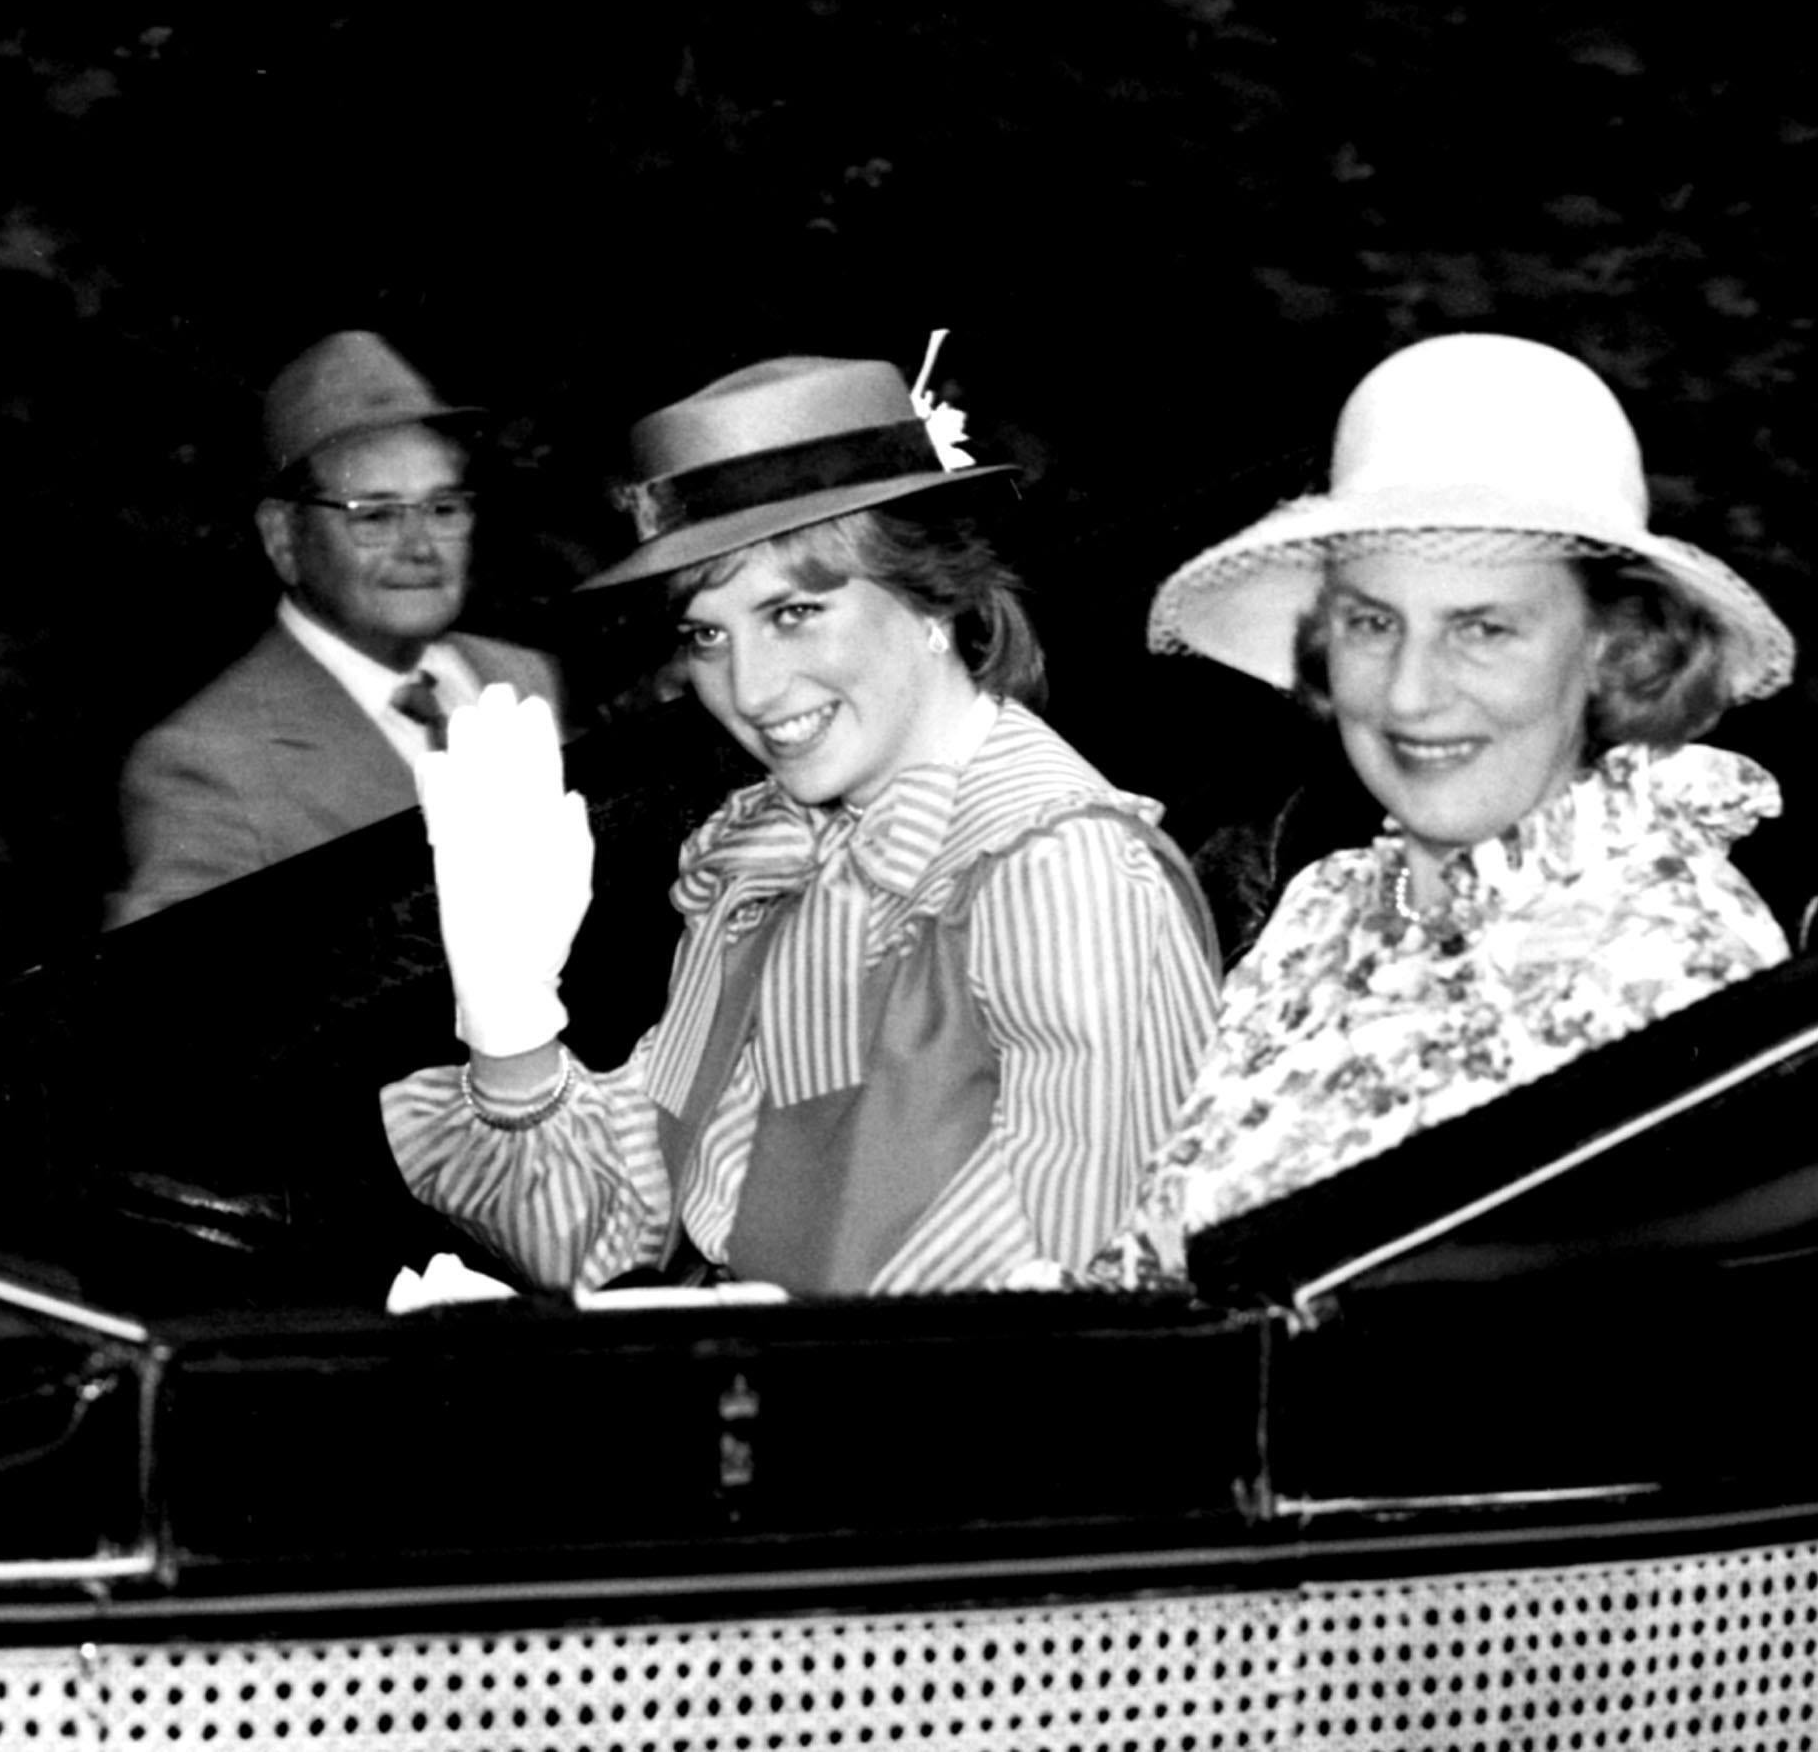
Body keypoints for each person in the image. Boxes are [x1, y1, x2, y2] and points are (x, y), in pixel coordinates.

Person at [382, 346, 1220, 1296]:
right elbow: (607, 1235)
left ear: (932, 597)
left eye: (793, 612)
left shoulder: (1060, 872)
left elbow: (1074, 1319)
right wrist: (511, 1023)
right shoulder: (768, 866)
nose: (748, 688)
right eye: (707, 633)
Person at [1090, 331, 1797, 1287]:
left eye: (1483, 629)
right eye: (1373, 623)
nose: (1411, 695)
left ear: (1608, 647)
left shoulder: (1667, 960)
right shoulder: (1325, 907)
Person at [106, 331, 561, 927]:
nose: (421, 548)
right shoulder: (210, 763)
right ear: (283, 538)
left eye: (443, 509)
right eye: (374, 516)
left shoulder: (518, 677)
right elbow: (174, 997)